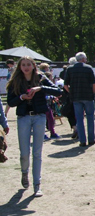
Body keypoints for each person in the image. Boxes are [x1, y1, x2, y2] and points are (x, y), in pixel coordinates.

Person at [6, 57, 62, 196]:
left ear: (33, 66)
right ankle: (24, 173)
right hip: (23, 117)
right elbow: (10, 102)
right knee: (24, 153)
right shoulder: (15, 81)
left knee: (37, 153)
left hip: (39, 117)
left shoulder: (40, 78)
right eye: (23, 65)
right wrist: (22, 97)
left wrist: (40, 88)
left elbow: (58, 91)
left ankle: (37, 184)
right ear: (19, 67)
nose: (26, 67)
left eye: (28, 65)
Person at [64, 52, 95, 147]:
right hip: (88, 96)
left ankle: (82, 140)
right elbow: (94, 84)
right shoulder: (88, 68)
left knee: (79, 119)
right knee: (90, 118)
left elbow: (66, 85)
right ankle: (91, 139)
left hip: (76, 97)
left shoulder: (70, 69)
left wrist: (71, 92)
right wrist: (92, 93)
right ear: (83, 59)